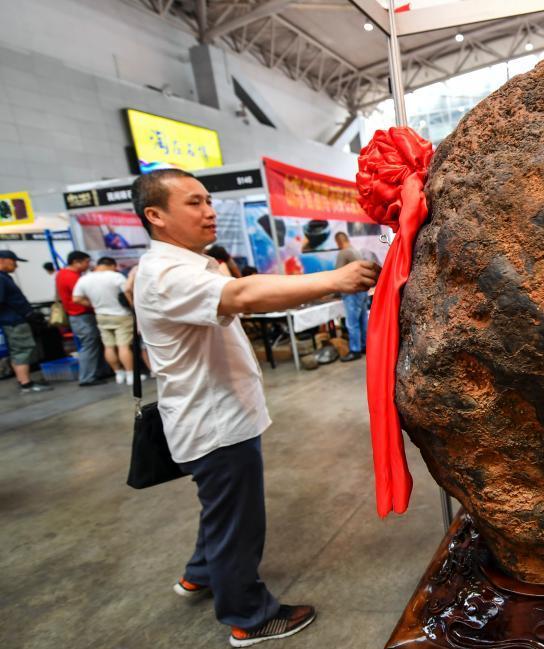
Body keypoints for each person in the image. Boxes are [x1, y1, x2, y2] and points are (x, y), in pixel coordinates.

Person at [131, 168, 379, 647]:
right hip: (215, 423)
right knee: (238, 523)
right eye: (194, 203)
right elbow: (243, 296)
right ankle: (249, 615)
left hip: (212, 415)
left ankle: (199, 574)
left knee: (220, 509)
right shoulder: (166, 273)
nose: (208, 212)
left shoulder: (188, 265)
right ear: (155, 215)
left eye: (208, 200)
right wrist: (336, 278)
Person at [72, 257, 136, 385]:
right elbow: (128, 292)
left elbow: (76, 299)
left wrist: (93, 305)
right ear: (112, 265)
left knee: (109, 346)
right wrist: (133, 307)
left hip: (101, 315)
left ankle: (118, 374)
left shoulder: (84, 279)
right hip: (121, 315)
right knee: (123, 346)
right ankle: (131, 376)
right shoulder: (116, 276)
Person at [0, 251, 53, 393]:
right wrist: (25, 313)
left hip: (13, 320)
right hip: (14, 321)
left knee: (18, 351)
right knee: (22, 351)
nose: (16, 265)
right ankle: (26, 384)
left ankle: (22, 380)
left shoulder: (4, 277)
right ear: (2, 260)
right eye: (13, 261)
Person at [56, 251, 107, 386]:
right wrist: (96, 304)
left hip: (78, 316)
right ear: (76, 262)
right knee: (89, 345)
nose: (88, 265)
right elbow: (80, 297)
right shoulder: (71, 277)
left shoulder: (62, 274)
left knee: (92, 345)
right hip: (81, 316)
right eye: (86, 262)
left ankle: (97, 372)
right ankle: (87, 377)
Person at [334, 231, 368, 362]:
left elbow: (338, 274)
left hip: (352, 292)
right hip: (363, 290)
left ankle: (355, 350)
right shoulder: (356, 251)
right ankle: (364, 345)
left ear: (338, 241)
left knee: (352, 323)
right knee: (363, 320)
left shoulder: (343, 253)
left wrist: (334, 293)